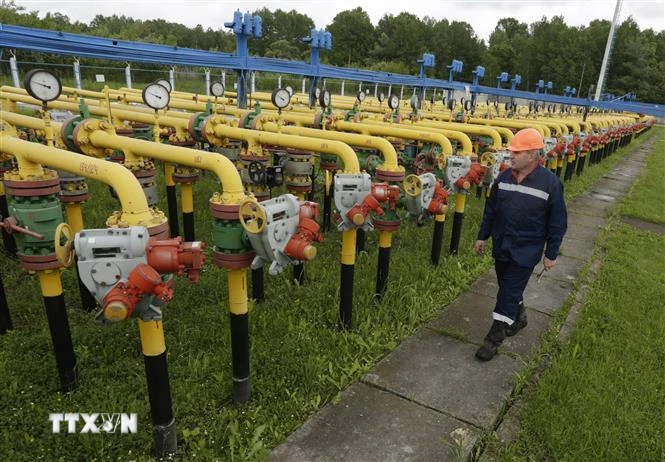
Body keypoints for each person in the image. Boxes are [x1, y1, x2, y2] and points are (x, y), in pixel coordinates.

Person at [474, 127, 567, 361]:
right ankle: (520, 316)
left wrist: (551, 253)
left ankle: (493, 339)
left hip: (527, 250)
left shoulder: (550, 184)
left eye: (517, 152)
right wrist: (482, 236)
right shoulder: (503, 178)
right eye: (511, 152)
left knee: (506, 294)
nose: (511, 156)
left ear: (533, 154)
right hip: (502, 246)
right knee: (507, 287)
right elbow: (491, 211)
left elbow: (558, 222)